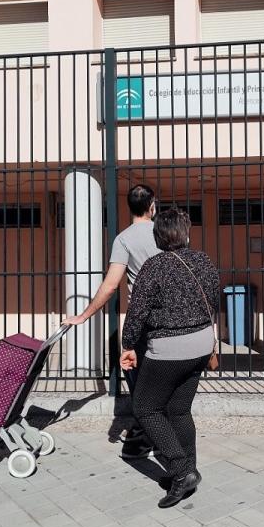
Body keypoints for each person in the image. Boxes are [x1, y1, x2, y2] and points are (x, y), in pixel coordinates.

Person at [121, 208, 220, 508]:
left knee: (146, 407)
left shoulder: (153, 267)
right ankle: (188, 468)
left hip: (169, 349)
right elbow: (214, 297)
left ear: (158, 236)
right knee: (178, 409)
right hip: (202, 344)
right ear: (186, 233)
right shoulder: (204, 260)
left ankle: (181, 471)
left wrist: (128, 345)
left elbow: (137, 311)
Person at [63, 184, 161, 458]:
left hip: (142, 320)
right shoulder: (165, 233)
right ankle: (161, 433)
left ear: (129, 206)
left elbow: (110, 285)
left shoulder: (124, 239)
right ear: (152, 205)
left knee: (137, 377)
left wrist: (83, 316)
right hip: (171, 319)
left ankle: (143, 437)